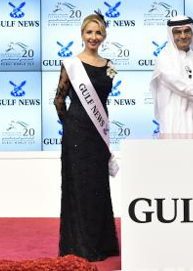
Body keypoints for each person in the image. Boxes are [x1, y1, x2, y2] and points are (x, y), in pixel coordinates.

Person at [54, 13, 119, 261]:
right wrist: (70, 125)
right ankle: (78, 245)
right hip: (76, 133)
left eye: (98, 33)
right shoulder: (70, 63)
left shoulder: (109, 65)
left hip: (97, 134)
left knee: (98, 187)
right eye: (89, 32)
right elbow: (58, 100)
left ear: (104, 36)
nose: (94, 37)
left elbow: (103, 101)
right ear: (82, 34)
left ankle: (101, 244)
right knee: (78, 187)